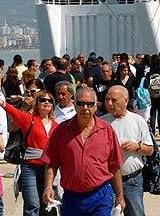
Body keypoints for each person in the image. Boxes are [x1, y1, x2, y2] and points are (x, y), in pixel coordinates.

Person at [42, 87, 125, 215]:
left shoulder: (107, 130)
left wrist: (120, 195)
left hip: (100, 196)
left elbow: (115, 166)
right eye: (81, 103)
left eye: (90, 104)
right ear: (74, 105)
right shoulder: (61, 131)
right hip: (72, 198)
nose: (85, 107)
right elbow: (51, 163)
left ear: (96, 106)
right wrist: (48, 187)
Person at [0, 89, 57, 216]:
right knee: (32, 204)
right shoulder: (30, 120)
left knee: (45, 205)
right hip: (29, 168)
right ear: (37, 104)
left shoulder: (57, 126)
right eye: (42, 100)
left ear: (52, 105)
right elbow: (15, 113)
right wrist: (2, 103)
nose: (46, 102)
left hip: (48, 170)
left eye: (49, 101)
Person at [102, 86, 154, 216]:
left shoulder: (137, 120)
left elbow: (150, 150)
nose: (109, 103)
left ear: (125, 101)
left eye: (114, 100)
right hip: (108, 181)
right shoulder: (101, 122)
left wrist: (136, 146)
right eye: (107, 99)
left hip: (133, 180)